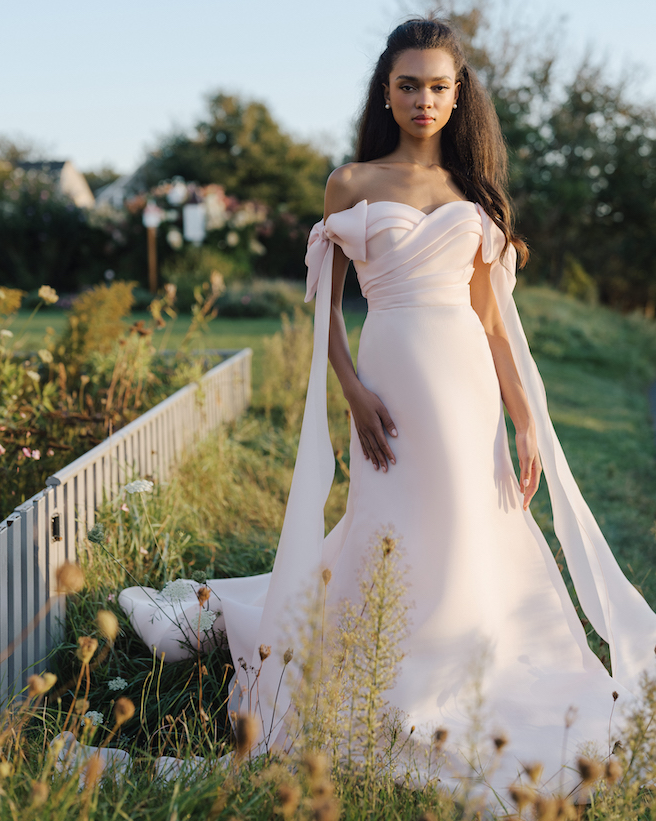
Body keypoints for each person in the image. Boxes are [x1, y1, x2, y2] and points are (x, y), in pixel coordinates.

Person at [120, 16, 656, 803]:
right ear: (387, 91)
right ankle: (355, 650)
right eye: (409, 85)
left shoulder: (472, 198)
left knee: (476, 524)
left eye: (439, 86)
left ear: (455, 94)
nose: (424, 99)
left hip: (466, 382)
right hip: (390, 379)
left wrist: (525, 415)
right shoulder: (351, 183)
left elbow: (493, 326)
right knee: (390, 525)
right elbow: (327, 314)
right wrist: (350, 389)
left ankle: (466, 660)